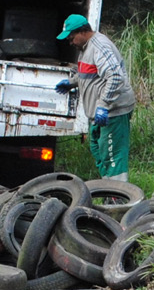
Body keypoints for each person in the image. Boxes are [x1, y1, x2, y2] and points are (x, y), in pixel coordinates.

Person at [56, 14, 136, 180]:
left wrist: (104, 105)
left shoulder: (99, 47)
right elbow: (90, 74)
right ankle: (108, 191)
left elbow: (115, 76)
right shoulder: (85, 49)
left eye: (71, 38)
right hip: (98, 114)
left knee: (113, 157)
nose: (70, 43)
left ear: (83, 32)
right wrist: (72, 82)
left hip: (113, 111)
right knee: (99, 151)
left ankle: (119, 199)